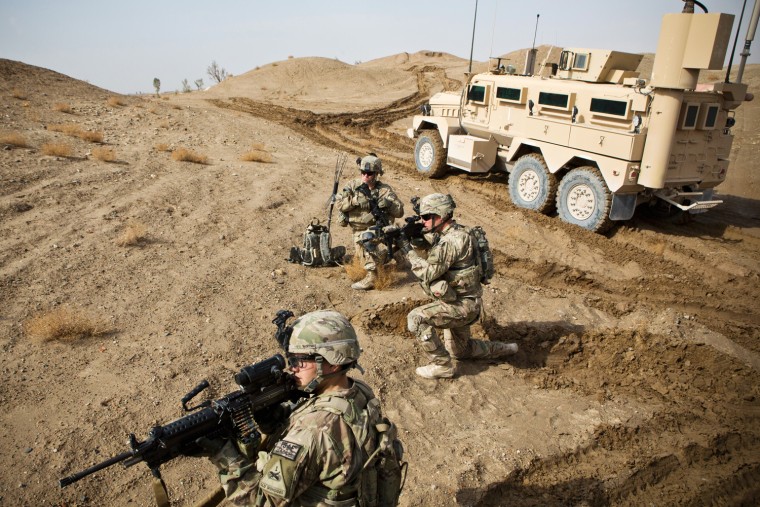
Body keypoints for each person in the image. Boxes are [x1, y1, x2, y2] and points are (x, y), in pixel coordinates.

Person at [206, 310, 396, 506]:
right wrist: (276, 418)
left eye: (300, 360)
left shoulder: (312, 432)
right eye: (290, 359)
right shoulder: (358, 390)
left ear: (332, 363)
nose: (292, 367)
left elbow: (261, 501)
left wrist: (225, 456)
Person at [395, 193, 518, 379]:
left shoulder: (451, 242)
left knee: (416, 318)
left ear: (442, 215)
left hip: (461, 306)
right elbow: (436, 248)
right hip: (467, 301)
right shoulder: (458, 232)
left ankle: (441, 365)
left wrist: (407, 249)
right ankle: (504, 348)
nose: (423, 221)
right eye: (421, 217)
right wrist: (416, 236)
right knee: (460, 352)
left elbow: (427, 272)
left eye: (427, 217)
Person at [337, 153, 404, 290]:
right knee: (363, 264)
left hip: (379, 229)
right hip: (359, 231)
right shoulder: (352, 186)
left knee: (377, 238)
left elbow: (400, 212)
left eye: (370, 173)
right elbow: (338, 204)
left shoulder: (384, 190)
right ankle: (390, 255)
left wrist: (389, 204)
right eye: (363, 172)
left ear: (377, 174)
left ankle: (373, 277)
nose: (365, 176)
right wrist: (354, 201)